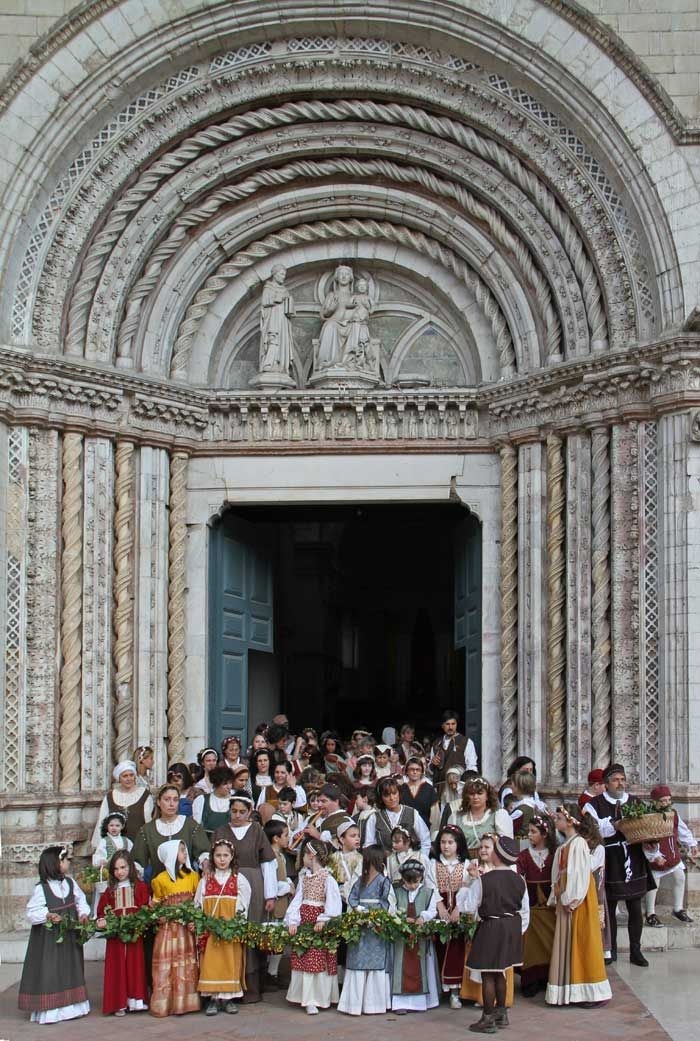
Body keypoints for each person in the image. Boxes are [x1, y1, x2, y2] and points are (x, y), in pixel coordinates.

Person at [583, 762, 655, 966]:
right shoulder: (594, 805)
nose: (620, 783)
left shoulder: (635, 802)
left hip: (633, 858)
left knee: (635, 906)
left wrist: (651, 845)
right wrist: (614, 824)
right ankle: (610, 949)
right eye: (615, 780)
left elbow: (646, 829)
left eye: (622, 779)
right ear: (606, 784)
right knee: (609, 907)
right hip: (609, 859)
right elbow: (592, 831)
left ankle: (635, 950)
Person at [211, 793, 277, 1003]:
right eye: (234, 811)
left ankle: (251, 988)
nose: (237, 815)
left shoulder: (257, 830)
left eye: (242, 812)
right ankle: (228, 983)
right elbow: (210, 858)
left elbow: (267, 863)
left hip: (254, 883)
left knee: (250, 930)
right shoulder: (221, 831)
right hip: (227, 883)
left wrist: (271, 894)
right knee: (231, 930)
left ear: (249, 812)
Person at [545, 805, 612, 1007]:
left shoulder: (579, 844)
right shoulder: (565, 846)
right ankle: (572, 989)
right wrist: (558, 896)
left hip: (579, 901)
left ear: (570, 820)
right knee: (570, 943)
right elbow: (559, 874)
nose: (556, 821)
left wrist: (570, 899)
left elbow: (580, 875)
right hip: (568, 899)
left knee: (584, 941)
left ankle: (592, 991)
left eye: (559, 817)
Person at [462, 835, 529, 1033]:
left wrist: (471, 882)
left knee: (488, 974)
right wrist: (517, 931)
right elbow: (525, 911)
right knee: (501, 972)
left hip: (491, 926)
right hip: (511, 927)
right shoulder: (520, 880)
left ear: (497, 855)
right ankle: (501, 1013)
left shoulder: (484, 881)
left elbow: (468, 907)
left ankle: (488, 1018)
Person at [18, 846, 90, 1024]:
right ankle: (51, 1010)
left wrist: (83, 914)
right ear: (54, 864)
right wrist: (47, 915)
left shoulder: (70, 883)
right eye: (65, 860)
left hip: (70, 935)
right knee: (51, 970)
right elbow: (32, 911)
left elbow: (81, 901)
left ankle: (73, 1006)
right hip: (50, 939)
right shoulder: (42, 889)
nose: (68, 862)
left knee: (71, 967)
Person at [284, 839, 342, 1015]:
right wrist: (293, 921)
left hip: (318, 921)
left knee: (318, 958)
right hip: (305, 920)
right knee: (304, 956)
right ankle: (306, 997)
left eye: (304, 855)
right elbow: (297, 901)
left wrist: (324, 919)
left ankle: (318, 998)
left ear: (311, 855)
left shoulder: (328, 878)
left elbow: (333, 903)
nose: (302, 858)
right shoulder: (304, 878)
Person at [196, 838, 251, 1015]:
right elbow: (198, 903)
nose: (222, 859)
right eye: (218, 855)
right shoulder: (206, 880)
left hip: (229, 930)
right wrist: (201, 924)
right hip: (211, 931)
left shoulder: (238, 879)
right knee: (210, 963)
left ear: (232, 856)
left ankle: (228, 998)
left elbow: (244, 904)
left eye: (225, 855)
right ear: (212, 857)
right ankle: (212, 999)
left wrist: (235, 924)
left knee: (230, 961)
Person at [337, 845, 394, 1015]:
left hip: (375, 926)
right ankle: (353, 1005)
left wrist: (375, 915)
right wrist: (357, 910)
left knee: (376, 962)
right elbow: (352, 897)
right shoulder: (360, 880)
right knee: (356, 960)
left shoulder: (384, 881)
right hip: (360, 925)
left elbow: (387, 902)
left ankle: (373, 1005)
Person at [149, 840, 200, 1017]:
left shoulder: (193, 876)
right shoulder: (160, 880)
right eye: (181, 851)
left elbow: (196, 902)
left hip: (185, 929)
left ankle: (185, 1002)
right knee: (167, 964)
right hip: (168, 929)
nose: (185, 854)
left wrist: (194, 919)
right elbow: (156, 904)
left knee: (186, 965)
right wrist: (158, 913)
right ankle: (166, 1002)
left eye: (185, 850)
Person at [95, 850, 149, 1016]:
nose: (120, 872)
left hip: (134, 934)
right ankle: (119, 1003)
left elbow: (145, 908)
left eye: (123, 867)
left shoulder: (139, 887)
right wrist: (102, 920)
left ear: (130, 867)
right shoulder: (110, 890)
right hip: (116, 937)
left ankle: (135, 1000)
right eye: (116, 869)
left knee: (135, 964)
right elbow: (102, 911)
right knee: (117, 966)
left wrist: (139, 920)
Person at [643, 784, 698, 926]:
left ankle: (678, 909)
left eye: (668, 800)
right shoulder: (649, 817)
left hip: (672, 854)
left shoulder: (673, 814)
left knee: (680, 877)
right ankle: (650, 913)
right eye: (662, 801)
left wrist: (692, 844)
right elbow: (646, 839)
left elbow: (682, 830)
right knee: (654, 884)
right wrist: (654, 855)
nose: (666, 803)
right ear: (655, 802)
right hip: (658, 856)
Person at [391, 858, 440, 1014]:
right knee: (401, 964)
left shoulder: (428, 892)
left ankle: (420, 1003)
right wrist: (401, 919)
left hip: (420, 936)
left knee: (420, 965)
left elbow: (433, 910)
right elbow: (391, 908)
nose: (412, 886)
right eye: (408, 882)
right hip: (402, 937)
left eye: (416, 882)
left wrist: (423, 917)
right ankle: (400, 1003)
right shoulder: (396, 891)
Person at [131, 783, 209, 880]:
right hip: (159, 886)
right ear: (159, 802)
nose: (171, 804)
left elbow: (204, 853)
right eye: (167, 799)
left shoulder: (190, 825)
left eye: (175, 800)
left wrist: (206, 865)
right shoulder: (147, 830)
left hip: (187, 885)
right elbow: (137, 861)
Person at [516, 815, 557, 996]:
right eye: (529, 831)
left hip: (551, 911)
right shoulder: (524, 856)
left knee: (550, 944)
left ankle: (548, 977)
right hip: (532, 911)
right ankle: (531, 979)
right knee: (531, 947)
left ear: (545, 833)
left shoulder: (556, 854)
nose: (529, 835)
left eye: (533, 832)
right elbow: (517, 878)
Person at [432, 824, 470, 1009]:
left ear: (458, 844)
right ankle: (438, 989)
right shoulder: (433, 863)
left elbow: (466, 888)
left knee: (455, 949)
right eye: (443, 842)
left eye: (450, 842)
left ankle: (455, 991)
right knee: (438, 947)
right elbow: (431, 887)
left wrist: (457, 909)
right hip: (439, 911)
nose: (446, 846)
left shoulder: (465, 865)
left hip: (456, 910)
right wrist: (440, 906)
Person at [443, 776, 513, 857]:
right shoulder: (455, 817)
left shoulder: (498, 815)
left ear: (487, 796)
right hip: (465, 863)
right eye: (472, 794)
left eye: (479, 793)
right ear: (467, 796)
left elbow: (507, 844)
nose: (475, 797)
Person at [263, 819, 295, 988]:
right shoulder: (270, 857)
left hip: (282, 903)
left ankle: (273, 972)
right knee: (273, 939)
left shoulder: (280, 856)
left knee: (279, 940)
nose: (287, 838)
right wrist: (287, 887)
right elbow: (271, 882)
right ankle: (269, 974)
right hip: (275, 903)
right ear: (276, 838)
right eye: (285, 835)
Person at [91, 760, 154, 846]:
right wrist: (99, 845)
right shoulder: (110, 797)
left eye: (131, 775)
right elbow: (102, 821)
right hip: (115, 846)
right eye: (125, 776)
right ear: (119, 778)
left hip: (139, 844)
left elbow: (149, 822)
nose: (129, 779)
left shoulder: (145, 795)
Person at [365, 776, 431, 855]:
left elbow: (425, 841)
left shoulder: (412, 813)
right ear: (381, 798)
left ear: (399, 793)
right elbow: (369, 845)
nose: (392, 798)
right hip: (384, 864)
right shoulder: (374, 818)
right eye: (387, 795)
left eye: (394, 793)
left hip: (409, 863)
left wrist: (420, 861)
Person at [428, 710, 478, 794]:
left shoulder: (466, 742)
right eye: (447, 724)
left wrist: (465, 787)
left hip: (458, 789)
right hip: (439, 789)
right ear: (442, 725)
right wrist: (432, 764)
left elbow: (471, 767)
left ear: (456, 724)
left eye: (453, 724)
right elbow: (430, 771)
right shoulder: (436, 744)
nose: (450, 727)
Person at [316, 264, 356, 368]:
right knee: (330, 326)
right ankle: (329, 361)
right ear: (337, 278)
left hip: (349, 326)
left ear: (351, 278)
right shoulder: (332, 295)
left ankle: (350, 361)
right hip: (334, 324)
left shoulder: (354, 297)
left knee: (357, 327)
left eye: (346, 274)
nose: (343, 277)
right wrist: (331, 309)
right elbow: (323, 315)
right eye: (341, 274)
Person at [259, 264, 295, 373]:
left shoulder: (284, 289)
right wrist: (278, 299)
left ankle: (280, 364)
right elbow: (265, 302)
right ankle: (269, 363)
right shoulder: (268, 287)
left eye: (284, 274)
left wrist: (289, 303)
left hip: (282, 319)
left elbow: (289, 305)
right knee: (273, 339)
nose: (283, 277)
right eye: (281, 274)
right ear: (274, 274)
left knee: (281, 341)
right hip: (272, 317)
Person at [303, 783, 354, 847]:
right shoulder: (314, 818)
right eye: (318, 801)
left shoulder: (346, 821)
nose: (319, 805)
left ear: (336, 801)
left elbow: (347, 848)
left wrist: (318, 836)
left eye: (323, 801)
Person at [192, 765, 234, 836]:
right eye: (225, 784)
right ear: (216, 784)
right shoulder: (201, 800)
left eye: (230, 783)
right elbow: (196, 828)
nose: (229, 787)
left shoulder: (235, 801)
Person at [329, 819, 363, 902]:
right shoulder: (333, 858)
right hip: (336, 897)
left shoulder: (361, 858)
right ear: (342, 839)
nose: (357, 839)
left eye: (358, 836)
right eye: (353, 836)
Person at [400, 756, 439, 828]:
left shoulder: (429, 789)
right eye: (412, 769)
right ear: (407, 771)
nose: (415, 772)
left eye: (418, 769)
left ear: (421, 771)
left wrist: (433, 833)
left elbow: (435, 816)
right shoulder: (401, 789)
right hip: (404, 830)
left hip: (425, 828)